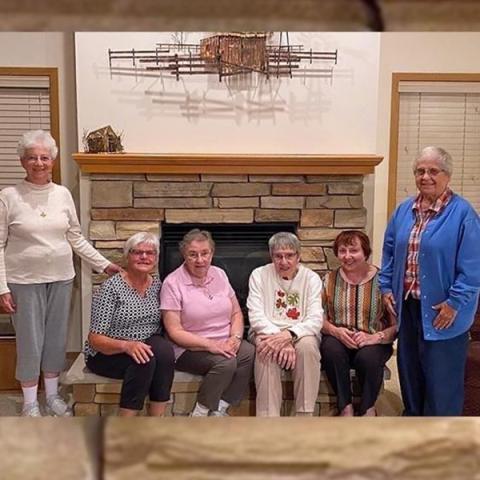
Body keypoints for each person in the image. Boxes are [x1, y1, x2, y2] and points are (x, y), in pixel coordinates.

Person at [0, 130, 121, 417]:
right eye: (32, 158)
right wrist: (2, 287)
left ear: (52, 161)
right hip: (23, 282)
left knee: (56, 339)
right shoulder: (8, 197)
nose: (39, 163)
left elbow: (75, 238)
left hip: (62, 278)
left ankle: (52, 396)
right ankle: (30, 401)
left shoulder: (63, 194)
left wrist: (104, 264)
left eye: (44, 157)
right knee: (30, 341)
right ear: (22, 161)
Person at [380, 146, 480, 416]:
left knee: (442, 385)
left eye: (433, 171)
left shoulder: (463, 215)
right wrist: (386, 287)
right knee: (410, 375)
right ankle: (414, 431)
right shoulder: (404, 211)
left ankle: (443, 441)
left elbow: (472, 269)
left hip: (443, 312)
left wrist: (454, 304)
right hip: (409, 308)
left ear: (447, 175)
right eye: (420, 171)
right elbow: (389, 250)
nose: (426, 176)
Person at [161, 228, 254, 417]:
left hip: (224, 340)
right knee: (226, 363)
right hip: (188, 348)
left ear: (212, 253)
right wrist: (211, 345)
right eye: (193, 255)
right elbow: (174, 331)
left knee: (249, 353)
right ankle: (200, 412)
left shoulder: (219, 274)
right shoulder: (172, 283)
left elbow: (236, 312)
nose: (200, 260)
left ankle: (220, 407)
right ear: (184, 255)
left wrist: (235, 337)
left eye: (205, 253)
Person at [85, 232, 175, 416]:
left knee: (165, 351)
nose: (144, 257)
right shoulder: (111, 288)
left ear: (156, 258)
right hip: (107, 351)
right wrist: (126, 346)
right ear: (127, 256)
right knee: (144, 360)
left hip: (146, 341)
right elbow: (95, 339)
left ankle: (155, 422)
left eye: (150, 253)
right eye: (137, 252)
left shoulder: (158, 285)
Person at [247, 232, 323, 417]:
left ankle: (304, 414)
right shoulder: (259, 275)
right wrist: (278, 337)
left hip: (301, 333)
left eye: (289, 255)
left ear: (298, 256)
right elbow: (256, 315)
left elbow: (315, 318)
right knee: (266, 349)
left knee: (307, 348)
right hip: (265, 331)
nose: (284, 261)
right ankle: (268, 418)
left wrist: (289, 336)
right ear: (271, 256)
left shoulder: (311, 278)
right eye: (278, 256)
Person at [321, 230, 396, 416]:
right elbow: (318, 318)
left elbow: (397, 325)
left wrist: (374, 338)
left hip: (374, 338)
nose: (347, 256)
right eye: (342, 251)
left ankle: (367, 406)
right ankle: (345, 405)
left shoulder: (383, 282)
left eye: (353, 251)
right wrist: (336, 331)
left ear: (366, 253)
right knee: (331, 350)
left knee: (368, 358)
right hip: (338, 337)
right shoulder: (329, 280)